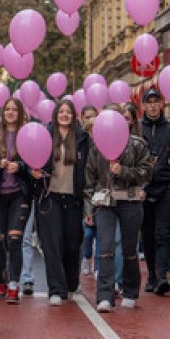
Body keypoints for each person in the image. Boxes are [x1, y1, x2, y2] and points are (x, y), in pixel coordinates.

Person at [83, 105, 153, 312]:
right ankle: (104, 295)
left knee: (130, 248)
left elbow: (147, 172)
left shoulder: (137, 145)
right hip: (104, 204)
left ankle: (130, 291)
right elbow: (89, 182)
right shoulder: (96, 148)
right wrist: (88, 210)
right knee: (104, 248)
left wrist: (123, 171)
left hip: (130, 202)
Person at [32, 100, 89, 306]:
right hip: (50, 197)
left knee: (72, 245)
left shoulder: (83, 138)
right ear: (55, 115)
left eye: (68, 112)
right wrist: (35, 174)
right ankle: (56, 289)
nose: (64, 115)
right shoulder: (45, 136)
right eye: (61, 111)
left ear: (74, 116)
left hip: (73, 199)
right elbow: (33, 161)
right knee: (52, 244)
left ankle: (71, 282)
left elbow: (89, 170)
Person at [138, 88, 170, 296]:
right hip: (143, 190)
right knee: (147, 235)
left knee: (163, 233)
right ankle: (152, 276)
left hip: (165, 188)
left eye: (157, 102)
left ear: (161, 104)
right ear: (144, 106)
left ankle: (162, 275)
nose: (153, 106)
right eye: (149, 102)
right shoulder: (137, 128)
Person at [0, 98, 32, 303]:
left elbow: (35, 161)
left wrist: (21, 166)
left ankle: (15, 283)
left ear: (20, 112)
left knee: (14, 240)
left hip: (19, 194)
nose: (10, 112)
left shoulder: (27, 134)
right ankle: (2, 277)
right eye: (6, 109)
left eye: (14, 109)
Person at [79, 105, 98, 277]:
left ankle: (98, 265)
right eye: (87, 117)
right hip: (84, 190)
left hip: (99, 190)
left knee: (99, 233)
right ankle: (86, 257)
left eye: (93, 117)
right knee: (88, 232)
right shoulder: (81, 140)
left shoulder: (103, 139)